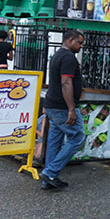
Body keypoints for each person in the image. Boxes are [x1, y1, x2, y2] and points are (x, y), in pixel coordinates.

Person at [41, 29, 85, 190]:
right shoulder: (68, 58)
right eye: (79, 43)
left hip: (52, 104)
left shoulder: (58, 54)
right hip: (62, 107)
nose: (81, 46)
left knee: (55, 139)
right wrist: (71, 109)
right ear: (70, 40)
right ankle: (50, 172)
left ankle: (49, 179)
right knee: (77, 137)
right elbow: (66, 82)